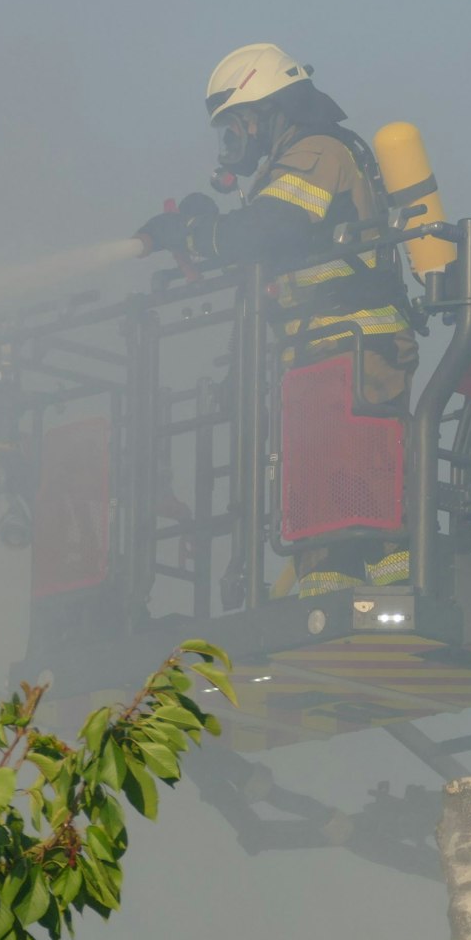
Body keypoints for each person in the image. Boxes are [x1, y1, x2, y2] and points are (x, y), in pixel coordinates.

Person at [137, 43, 417, 597]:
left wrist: (195, 233)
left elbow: (269, 231)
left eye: (235, 125)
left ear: (267, 110)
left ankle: (397, 588)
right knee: (326, 499)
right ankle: (330, 593)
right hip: (323, 353)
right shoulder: (292, 162)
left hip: (356, 345)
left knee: (363, 483)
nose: (232, 142)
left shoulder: (318, 151)